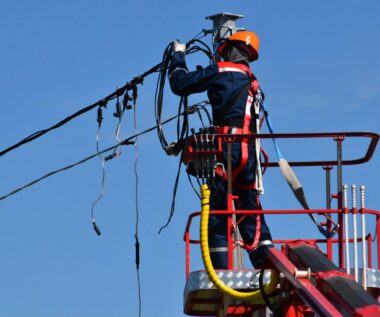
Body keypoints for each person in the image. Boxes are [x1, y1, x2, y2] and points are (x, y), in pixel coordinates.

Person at [168, 31, 273, 269]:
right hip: (248, 156)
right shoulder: (252, 81)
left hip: (225, 151)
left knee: (218, 213)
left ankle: (222, 271)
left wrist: (178, 57)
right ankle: (267, 264)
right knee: (251, 212)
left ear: (226, 50)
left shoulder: (221, 71)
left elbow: (180, 84)